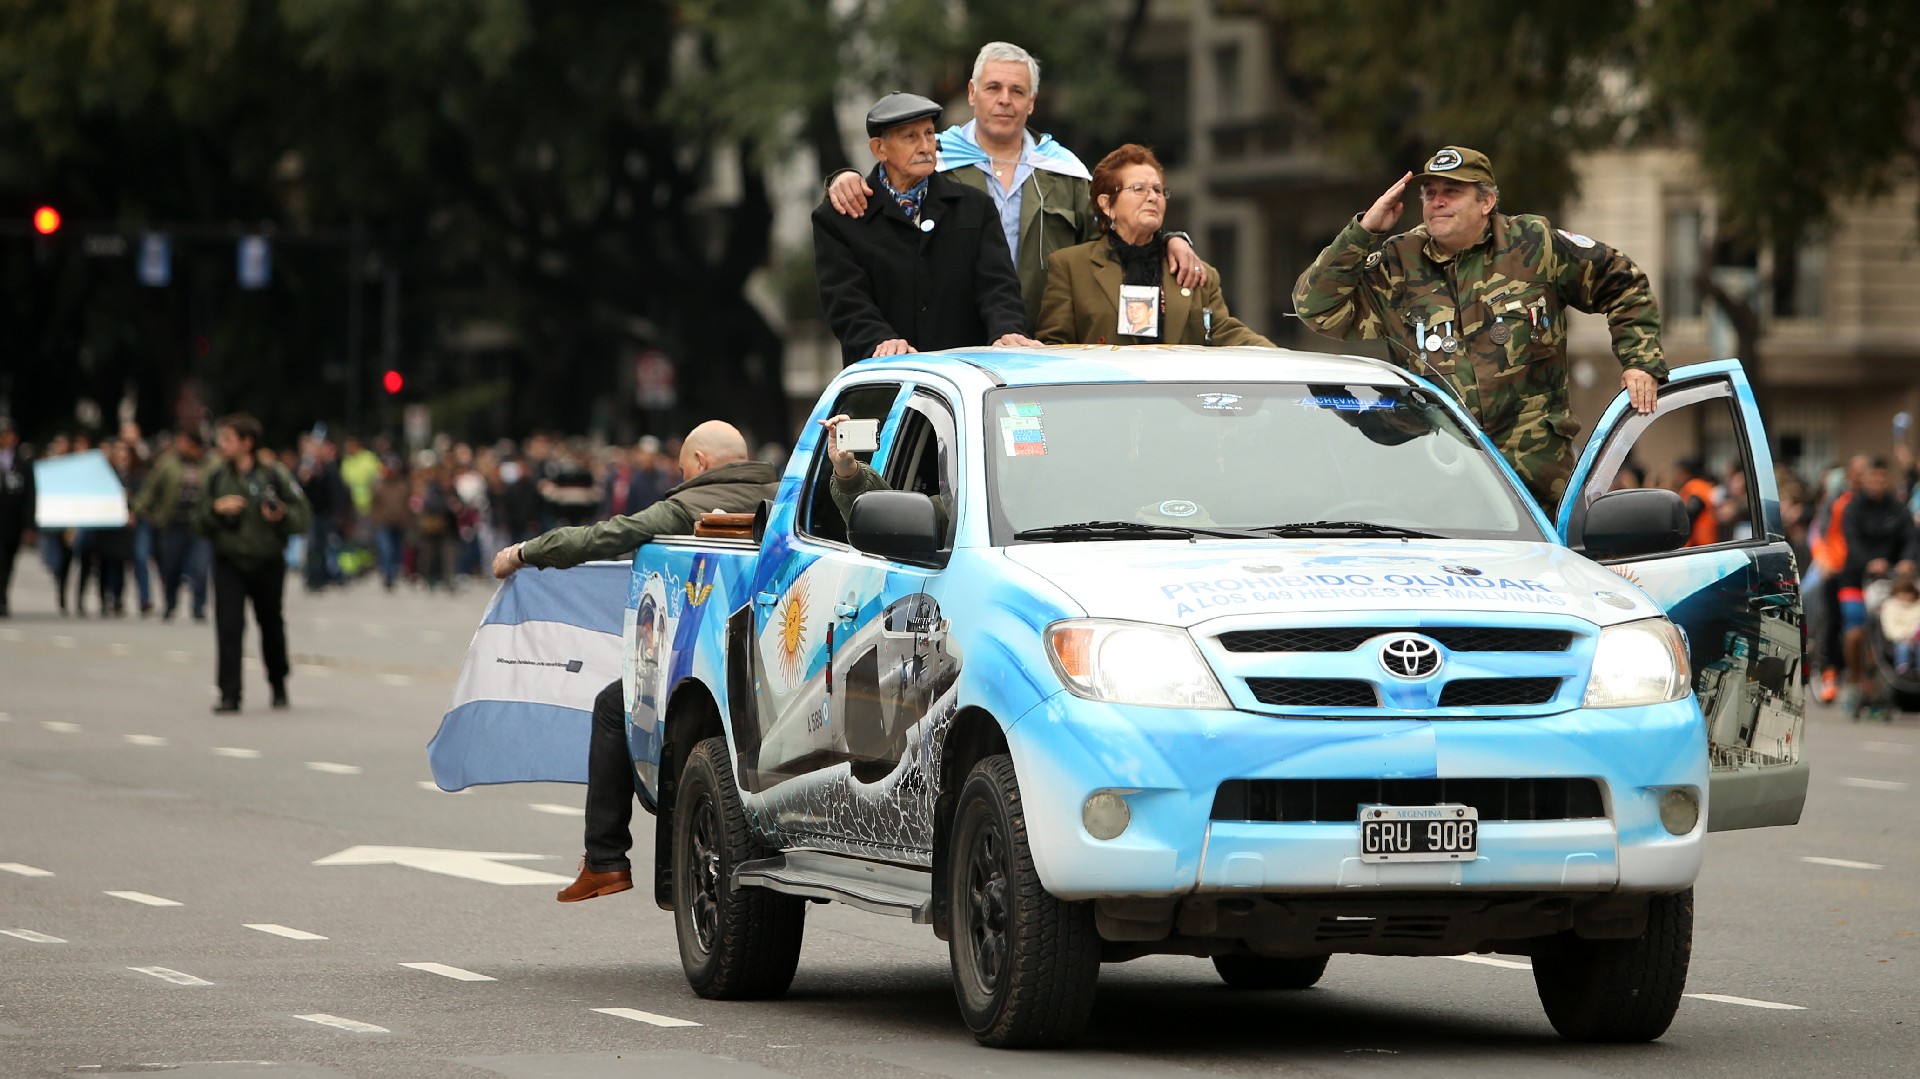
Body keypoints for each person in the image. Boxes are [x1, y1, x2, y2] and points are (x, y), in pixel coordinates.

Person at [490, 421, 781, 903]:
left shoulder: (686, 507)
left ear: (702, 464)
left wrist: (525, 552)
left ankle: (604, 859)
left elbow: (606, 536)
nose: (681, 475)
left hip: (708, 663)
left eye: (684, 467)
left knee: (613, 705)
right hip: (786, 669)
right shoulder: (789, 501)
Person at [1292, 145, 1666, 508]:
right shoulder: (1398, 262)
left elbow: (1623, 282)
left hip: (1535, 481)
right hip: (1436, 482)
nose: (1437, 201)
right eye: (1430, 193)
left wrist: (1640, 360)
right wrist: (1362, 232)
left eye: (1452, 192)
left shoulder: (1534, 244)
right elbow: (1315, 308)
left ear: (1486, 203)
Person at [823, 42, 1204, 324]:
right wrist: (842, 178)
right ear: (972, 94)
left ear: (1032, 102)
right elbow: (879, 191)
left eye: (1017, 91)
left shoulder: (1064, 172)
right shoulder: (932, 161)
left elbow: (1114, 240)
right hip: (954, 341)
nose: (1004, 100)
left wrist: (1170, 240)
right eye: (993, 88)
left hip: (1048, 340)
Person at [811, 92, 1039, 364]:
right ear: (879, 149)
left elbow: (999, 287)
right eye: (910, 137)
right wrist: (879, 340)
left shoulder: (976, 208)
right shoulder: (840, 220)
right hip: (883, 381)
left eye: (929, 134)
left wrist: (1007, 330)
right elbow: (846, 302)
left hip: (964, 384)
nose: (925, 146)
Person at [1037, 144, 1273, 348]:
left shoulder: (1195, 272)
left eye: (1158, 190)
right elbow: (1054, 347)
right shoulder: (1070, 267)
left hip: (1175, 398)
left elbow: (1224, 333)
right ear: (1107, 204)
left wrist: (1284, 359)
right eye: (1139, 189)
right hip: (1102, 397)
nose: (1153, 197)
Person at [191, 413, 312, 713]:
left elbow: (303, 516)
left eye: (228, 439)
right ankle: (229, 693)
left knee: (270, 624)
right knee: (229, 626)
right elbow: (196, 521)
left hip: (267, 561)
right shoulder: (217, 476)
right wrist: (216, 510)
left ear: (247, 443)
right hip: (229, 561)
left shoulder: (273, 474)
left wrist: (280, 515)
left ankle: (278, 681)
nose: (222, 444)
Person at [1838, 457, 1915, 714]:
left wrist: (1906, 561)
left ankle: (1880, 685)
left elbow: (1910, 540)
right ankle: (1854, 681)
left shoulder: (1898, 509)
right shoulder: (1852, 508)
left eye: (1883, 477)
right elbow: (1851, 541)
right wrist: (1870, 562)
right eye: (1873, 477)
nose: (1878, 482)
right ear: (1865, 479)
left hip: (1889, 581)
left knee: (1885, 631)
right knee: (1857, 630)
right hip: (1855, 579)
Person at [134, 429, 213, 621]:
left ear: (195, 444)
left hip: (201, 527)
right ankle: (170, 603)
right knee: (171, 566)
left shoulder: (212, 464)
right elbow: (151, 490)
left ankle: (199, 606)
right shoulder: (168, 464)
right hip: (174, 524)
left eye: (183, 442)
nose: (179, 446)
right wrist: (136, 510)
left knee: (200, 568)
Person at [0, 416, 33, 617]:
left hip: (13, 522)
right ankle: (1, 599)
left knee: (9, 561)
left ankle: (3, 592)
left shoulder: (23, 463)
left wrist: (30, 525)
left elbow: (30, 495)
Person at [1878, 574, 1920, 675]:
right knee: (1903, 646)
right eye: (1903, 593)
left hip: (1917, 637)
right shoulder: (1890, 607)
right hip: (1899, 638)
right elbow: (1890, 628)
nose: (1906, 596)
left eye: (1909, 593)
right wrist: (1906, 635)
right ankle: (1903, 668)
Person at [1675, 457, 1718, 547]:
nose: (1677, 475)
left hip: (1698, 544)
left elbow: (1692, 512)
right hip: (1704, 542)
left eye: (1679, 472)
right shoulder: (1702, 485)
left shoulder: (1696, 485)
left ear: (1686, 472)